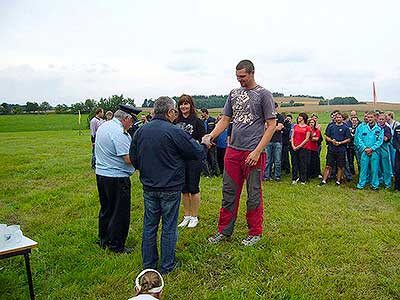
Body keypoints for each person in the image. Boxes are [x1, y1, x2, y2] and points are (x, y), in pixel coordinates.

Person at [130, 96, 206, 274]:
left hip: (149, 186)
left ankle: (148, 264)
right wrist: (204, 144)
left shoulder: (141, 131)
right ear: (171, 112)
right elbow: (195, 152)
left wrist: (145, 170)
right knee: (169, 227)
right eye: (175, 111)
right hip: (170, 187)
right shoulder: (174, 131)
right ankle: (167, 266)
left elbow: (133, 158)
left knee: (150, 226)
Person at [204, 59, 276, 246]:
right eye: (237, 77)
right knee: (229, 192)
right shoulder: (233, 93)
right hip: (233, 151)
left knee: (253, 194)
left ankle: (255, 232)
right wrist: (211, 135)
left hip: (253, 152)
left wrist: (257, 151)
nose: (240, 81)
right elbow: (226, 119)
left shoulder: (264, 94)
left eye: (242, 77)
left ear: (252, 73)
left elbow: (271, 125)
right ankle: (224, 231)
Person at [95, 104, 140, 253]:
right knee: (119, 213)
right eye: (132, 121)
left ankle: (104, 239)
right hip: (117, 177)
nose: (132, 124)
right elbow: (127, 158)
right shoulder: (119, 132)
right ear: (126, 118)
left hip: (102, 174)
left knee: (106, 209)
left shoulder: (105, 126)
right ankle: (116, 245)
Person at [175, 94, 206, 228]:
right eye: (181, 104)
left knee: (193, 188)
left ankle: (194, 216)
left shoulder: (197, 122)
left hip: (193, 159)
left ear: (191, 105)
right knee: (184, 189)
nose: (183, 106)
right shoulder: (175, 121)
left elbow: (203, 139)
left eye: (186, 104)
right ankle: (186, 216)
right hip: (179, 160)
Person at [318, 112, 351, 186]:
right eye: (337, 117)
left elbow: (349, 139)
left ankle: (338, 181)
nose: (338, 119)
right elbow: (327, 136)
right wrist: (331, 140)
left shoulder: (345, 128)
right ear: (335, 118)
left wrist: (341, 142)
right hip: (331, 149)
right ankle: (324, 180)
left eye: (340, 117)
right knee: (328, 166)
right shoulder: (331, 127)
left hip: (341, 150)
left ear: (342, 118)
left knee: (340, 166)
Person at [355, 111, 383, 190]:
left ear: (375, 118)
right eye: (368, 117)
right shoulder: (363, 128)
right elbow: (359, 139)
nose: (369, 119)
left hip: (374, 152)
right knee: (363, 169)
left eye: (371, 117)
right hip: (365, 151)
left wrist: (372, 148)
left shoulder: (379, 129)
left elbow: (380, 141)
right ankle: (361, 184)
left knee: (375, 169)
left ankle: (375, 185)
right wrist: (365, 148)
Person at [263, 102, 284, 181]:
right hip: (268, 140)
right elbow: (264, 126)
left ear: (276, 108)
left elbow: (279, 128)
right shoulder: (266, 116)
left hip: (277, 141)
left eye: (274, 107)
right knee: (267, 160)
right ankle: (266, 176)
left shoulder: (280, 116)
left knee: (277, 160)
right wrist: (274, 127)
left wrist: (270, 128)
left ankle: (277, 176)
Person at [291, 113, 311, 184]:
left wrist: (299, 146)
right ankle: (294, 178)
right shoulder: (295, 126)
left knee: (303, 163)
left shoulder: (307, 127)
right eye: (299, 116)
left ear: (304, 118)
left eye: (301, 117)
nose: (299, 118)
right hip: (294, 147)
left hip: (303, 147)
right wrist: (293, 145)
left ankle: (303, 179)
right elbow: (292, 136)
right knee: (294, 163)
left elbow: (307, 139)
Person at [200, 108, 218, 176]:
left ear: (205, 113)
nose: (201, 114)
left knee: (213, 158)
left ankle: (215, 173)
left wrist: (213, 141)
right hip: (205, 143)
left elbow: (216, 131)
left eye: (201, 113)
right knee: (205, 158)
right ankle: (207, 172)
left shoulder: (213, 120)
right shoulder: (202, 121)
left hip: (212, 142)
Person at [377, 112, 392, 189]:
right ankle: (380, 180)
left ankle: (387, 183)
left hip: (384, 149)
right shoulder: (376, 128)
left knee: (386, 167)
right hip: (377, 149)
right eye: (380, 119)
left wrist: (378, 137)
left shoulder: (387, 128)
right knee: (377, 167)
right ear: (377, 119)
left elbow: (386, 139)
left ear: (385, 120)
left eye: (383, 119)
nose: (381, 120)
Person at [393, 123, 400, 191]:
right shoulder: (397, 128)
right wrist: (398, 148)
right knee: (397, 170)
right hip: (398, 153)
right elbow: (394, 141)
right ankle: (397, 187)